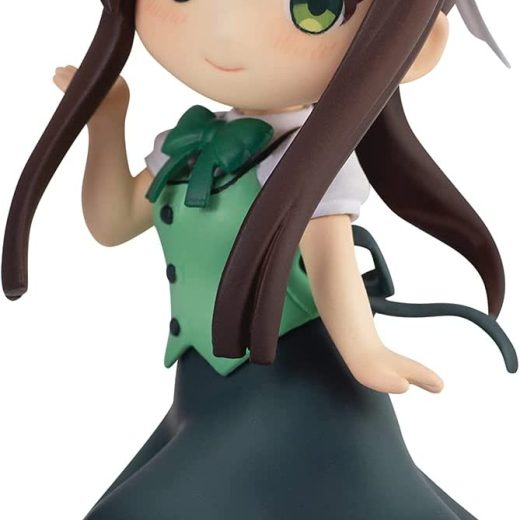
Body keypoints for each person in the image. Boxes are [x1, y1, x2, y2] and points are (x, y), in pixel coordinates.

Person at [2, 1, 517, 518]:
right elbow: (112, 223)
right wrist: (106, 123)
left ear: (415, 48)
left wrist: (365, 352)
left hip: (295, 387)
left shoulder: (309, 163)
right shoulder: (188, 146)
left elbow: (331, 265)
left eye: (313, 9)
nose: (225, 31)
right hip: (201, 390)